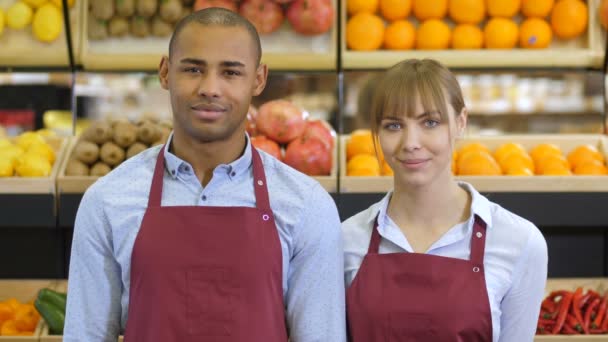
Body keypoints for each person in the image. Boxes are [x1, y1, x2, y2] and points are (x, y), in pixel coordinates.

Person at [64, 8, 346, 342]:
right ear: (165, 72)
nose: (210, 88)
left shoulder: (307, 205)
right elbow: (87, 335)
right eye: (193, 69)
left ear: (258, 80)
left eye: (230, 72)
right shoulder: (107, 200)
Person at [342, 59, 548, 342]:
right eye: (393, 126)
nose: (411, 143)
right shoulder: (345, 241)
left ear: (460, 122)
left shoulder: (519, 242)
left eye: (430, 122)